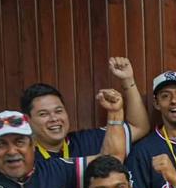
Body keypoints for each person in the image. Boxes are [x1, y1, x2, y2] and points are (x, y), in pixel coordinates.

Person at [20, 56, 149, 158]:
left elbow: (139, 127)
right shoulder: (26, 159)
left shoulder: (87, 140)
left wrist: (128, 80)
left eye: (58, 111)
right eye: (43, 114)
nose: (54, 118)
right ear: (27, 120)